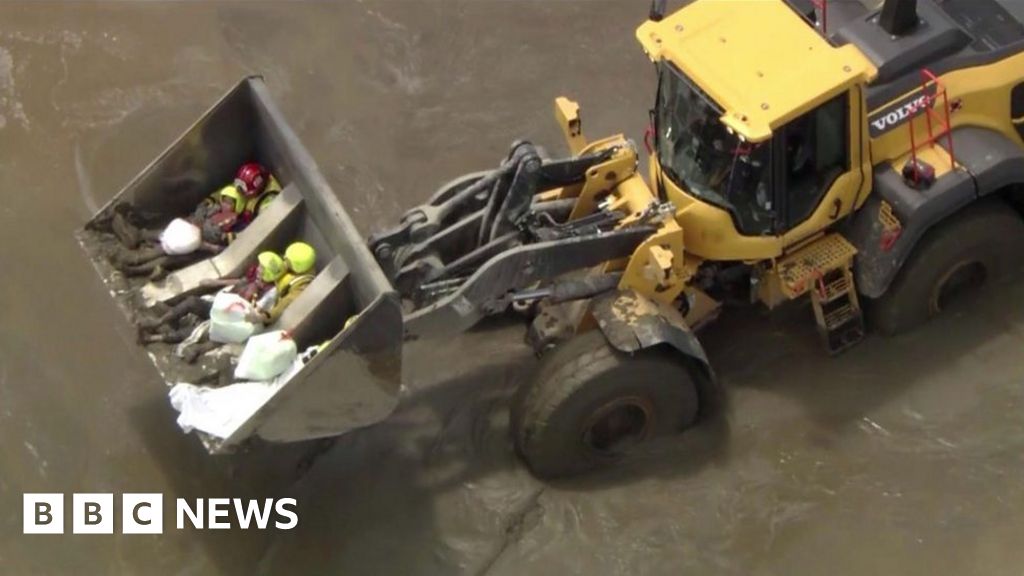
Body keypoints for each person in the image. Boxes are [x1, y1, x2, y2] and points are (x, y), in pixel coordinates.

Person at [137, 242, 319, 364]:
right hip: (222, 306)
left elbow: (276, 308)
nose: (259, 269)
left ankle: (155, 338)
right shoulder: (255, 281)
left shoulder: (271, 293)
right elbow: (238, 282)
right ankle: (157, 323)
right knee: (192, 302)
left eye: (263, 269)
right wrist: (215, 283)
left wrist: (259, 315)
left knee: (202, 329)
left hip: (234, 321)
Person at [109, 163, 278, 278]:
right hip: (203, 223)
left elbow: (250, 234)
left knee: (175, 254)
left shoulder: (266, 205)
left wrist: (216, 243)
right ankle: (140, 242)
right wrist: (199, 217)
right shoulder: (234, 193)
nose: (239, 193)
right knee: (173, 235)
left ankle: (136, 264)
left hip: (217, 237)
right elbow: (213, 199)